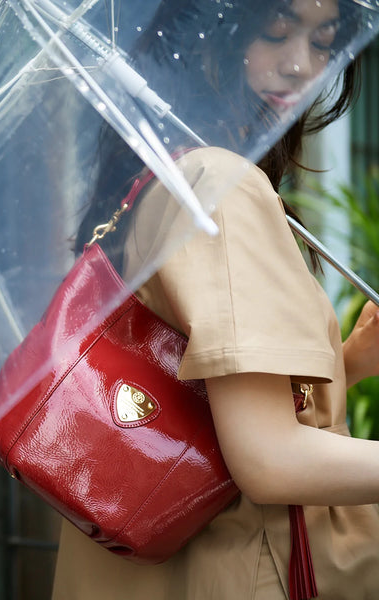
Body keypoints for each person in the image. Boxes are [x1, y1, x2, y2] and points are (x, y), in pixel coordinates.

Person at [52, 0, 379, 598]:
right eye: (276, 32)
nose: (301, 65)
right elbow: (269, 460)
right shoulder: (219, 186)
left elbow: (188, 395)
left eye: (324, 40)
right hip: (229, 568)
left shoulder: (165, 175)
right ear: (205, 38)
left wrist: (349, 361)